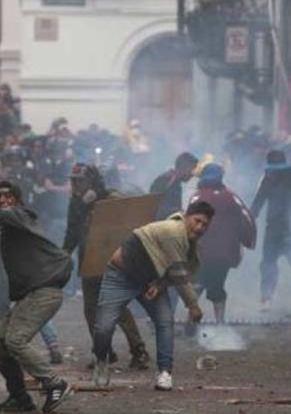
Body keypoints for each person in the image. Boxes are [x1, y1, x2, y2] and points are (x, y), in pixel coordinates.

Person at [0, 182, 73, 413]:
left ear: (18, 200)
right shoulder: (5, 227)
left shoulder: (20, 215)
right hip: (31, 295)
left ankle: (53, 382)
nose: (4, 201)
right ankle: (19, 397)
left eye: (9, 197)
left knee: (15, 340)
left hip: (45, 292)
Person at [92, 201, 213, 391]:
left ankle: (165, 372)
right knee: (104, 327)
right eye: (197, 221)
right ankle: (101, 361)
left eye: (205, 225)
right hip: (120, 276)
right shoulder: (173, 230)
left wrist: (160, 284)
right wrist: (193, 305)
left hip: (149, 282)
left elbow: (170, 268)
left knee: (165, 322)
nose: (199, 228)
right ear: (186, 216)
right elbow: (178, 272)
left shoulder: (191, 247)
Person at [63, 163, 150, 370]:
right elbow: (73, 230)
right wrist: (64, 253)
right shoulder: (76, 202)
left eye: (80, 181)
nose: (76, 185)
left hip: (113, 261)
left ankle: (139, 351)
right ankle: (103, 352)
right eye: (73, 181)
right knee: (91, 310)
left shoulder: (110, 198)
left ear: (92, 181)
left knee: (117, 307)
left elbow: (130, 217)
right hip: (89, 260)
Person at [188, 163, 255, 322]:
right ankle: (220, 324)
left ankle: (190, 321)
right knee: (217, 285)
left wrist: (186, 245)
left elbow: (187, 221)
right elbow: (248, 219)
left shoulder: (197, 196)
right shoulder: (232, 196)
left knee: (197, 284)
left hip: (201, 251)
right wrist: (247, 241)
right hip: (225, 253)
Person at [250, 150, 291, 307]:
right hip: (274, 229)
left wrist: (252, 215)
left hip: (281, 229)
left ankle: (266, 298)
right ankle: (266, 297)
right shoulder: (269, 179)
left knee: (268, 263)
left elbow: (257, 203)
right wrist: (251, 216)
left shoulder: (270, 178)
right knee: (268, 264)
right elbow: (258, 201)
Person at [150, 152, 199, 220]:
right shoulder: (165, 181)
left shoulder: (176, 182)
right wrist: (176, 211)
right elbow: (153, 206)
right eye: (192, 169)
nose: (192, 174)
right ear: (183, 167)